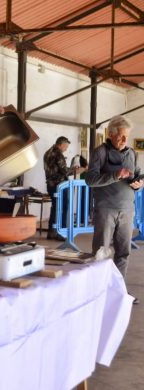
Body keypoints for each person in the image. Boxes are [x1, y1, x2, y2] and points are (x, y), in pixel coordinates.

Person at [85, 115, 143, 304]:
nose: (125, 140)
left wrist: (139, 183)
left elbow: (138, 174)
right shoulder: (100, 152)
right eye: (121, 136)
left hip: (127, 209)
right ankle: (97, 292)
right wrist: (115, 175)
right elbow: (90, 179)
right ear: (110, 134)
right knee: (101, 251)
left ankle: (118, 292)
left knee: (123, 252)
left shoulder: (132, 153)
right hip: (106, 208)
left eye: (127, 136)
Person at [43, 136, 84, 240]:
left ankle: (51, 232)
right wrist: (76, 170)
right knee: (63, 208)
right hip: (60, 186)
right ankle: (61, 233)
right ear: (61, 144)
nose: (66, 149)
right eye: (66, 146)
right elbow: (65, 171)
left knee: (55, 207)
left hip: (50, 185)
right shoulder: (58, 154)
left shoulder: (47, 153)